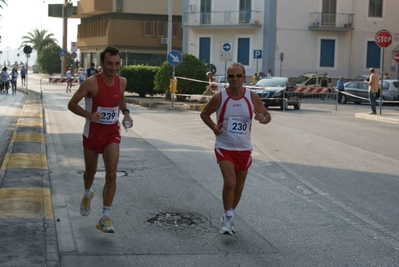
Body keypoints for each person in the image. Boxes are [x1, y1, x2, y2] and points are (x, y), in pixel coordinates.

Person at [200, 62, 271, 235]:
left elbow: (267, 116)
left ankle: (229, 212)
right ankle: (228, 218)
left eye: (238, 76)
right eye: (231, 76)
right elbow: (204, 114)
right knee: (230, 183)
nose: (235, 79)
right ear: (228, 77)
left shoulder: (251, 96)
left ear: (244, 78)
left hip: (244, 149)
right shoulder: (220, 97)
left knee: (238, 188)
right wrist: (214, 128)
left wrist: (263, 118)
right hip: (224, 146)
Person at [67, 46, 133, 233]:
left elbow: (120, 99)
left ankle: (105, 217)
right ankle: (87, 194)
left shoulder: (122, 82)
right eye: (110, 64)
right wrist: (88, 115)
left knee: (111, 174)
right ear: (102, 64)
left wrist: (126, 114)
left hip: (112, 134)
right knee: (90, 172)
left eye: (117, 63)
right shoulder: (90, 83)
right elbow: (71, 104)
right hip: (92, 135)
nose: (114, 67)